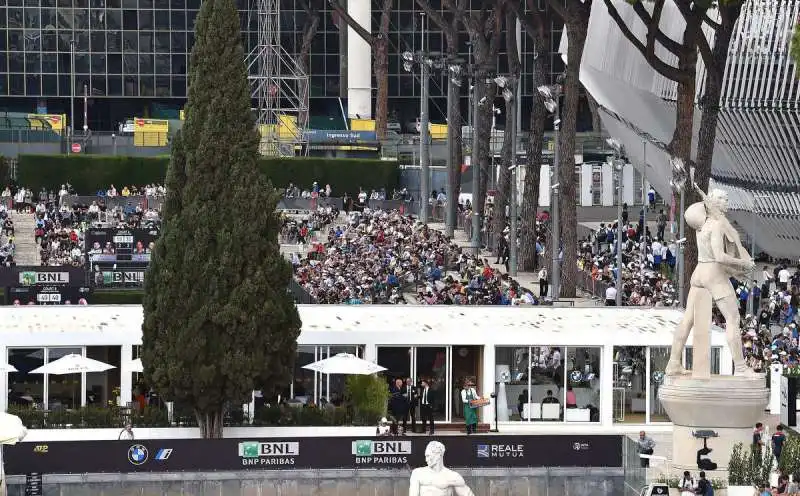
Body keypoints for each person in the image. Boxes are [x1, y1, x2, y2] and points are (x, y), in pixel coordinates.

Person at [665, 187, 757, 378]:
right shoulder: (715, 225)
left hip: (699, 272)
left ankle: (673, 363)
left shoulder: (703, 225)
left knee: (688, 319)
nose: (727, 202)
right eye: (723, 199)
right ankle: (740, 368)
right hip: (714, 274)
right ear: (714, 203)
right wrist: (743, 263)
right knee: (733, 320)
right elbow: (720, 256)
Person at [409, 441, 474, 496]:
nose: (426, 460)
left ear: (438, 455)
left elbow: (468, 494)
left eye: (428, 456)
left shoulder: (453, 476)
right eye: (426, 456)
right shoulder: (418, 473)